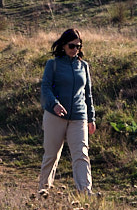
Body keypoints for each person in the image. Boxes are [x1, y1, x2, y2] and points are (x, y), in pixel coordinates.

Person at [38, 27, 96, 195]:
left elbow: (88, 94)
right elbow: (46, 87)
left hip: (79, 117)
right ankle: (43, 191)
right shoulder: (53, 64)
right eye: (72, 46)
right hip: (54, 117)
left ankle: (85, 192)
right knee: (52, 155)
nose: (75, 49)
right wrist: (54, 104)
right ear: (63, 45)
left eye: (78, 46)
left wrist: (91, 118)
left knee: (81, 154)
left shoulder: (83, 66)